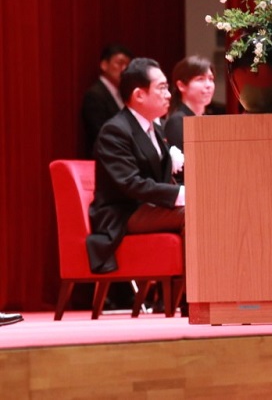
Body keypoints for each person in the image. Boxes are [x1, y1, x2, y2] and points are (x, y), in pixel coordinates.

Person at [87, 58, 184, 274]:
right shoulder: (115, 131)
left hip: (147, 207)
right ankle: (192, 297)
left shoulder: (156, 129)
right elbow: (132, 184)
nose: (168, 94)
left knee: (201, 209)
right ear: (139, 94)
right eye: (161, 88)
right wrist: (181, 194)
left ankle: (193, 294)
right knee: (193, 213)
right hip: (122, 213)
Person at [163, 56, 216, 185]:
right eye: (200, 79)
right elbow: (187, 170)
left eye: (211, 79)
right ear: (181, 85)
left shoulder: (208, 120)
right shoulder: (177, 121)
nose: (208, 85)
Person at [80, 44, 133, 158]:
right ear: (104, 65)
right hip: (104, 158)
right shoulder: (94, 95)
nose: (124, 69)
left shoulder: (123, 93)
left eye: (127, 65)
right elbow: (99, 133)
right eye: (119, 63)